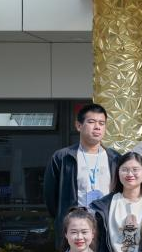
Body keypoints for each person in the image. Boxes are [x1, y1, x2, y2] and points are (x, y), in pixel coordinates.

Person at [43, 102, 120, 239]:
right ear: (79, 126)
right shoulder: (62, 157)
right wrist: (64, 218)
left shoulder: (114, 158)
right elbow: (51, 197)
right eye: (91, 122)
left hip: (106, 227)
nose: (97, 127)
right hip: (75, 229)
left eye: (102, 123)